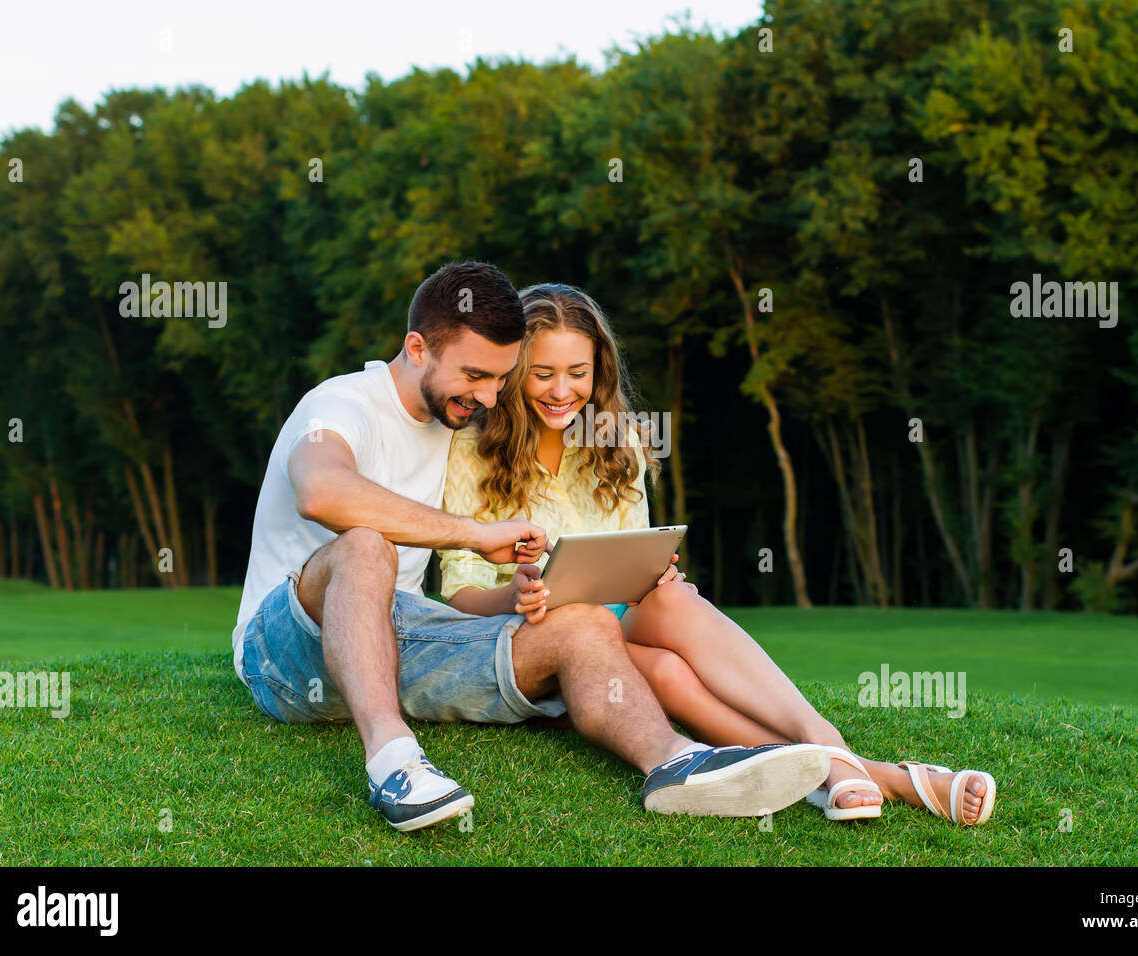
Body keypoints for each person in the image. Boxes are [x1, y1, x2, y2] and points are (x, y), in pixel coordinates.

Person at [231, 261, 833, 832]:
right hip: (289, 647)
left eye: (500, 379)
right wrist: (474, 534)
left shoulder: (456, 421)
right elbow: (321, 490)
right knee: (366, 546)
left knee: (584, 624)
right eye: (475, 376)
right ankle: (395, 764)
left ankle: (674, 762)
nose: (490, 398)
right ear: (418, 349)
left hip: (399, 638)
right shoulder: (341, 405)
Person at [439, 283, 997, 826]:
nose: (562, 390)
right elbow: (457, 594)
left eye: (578, 373)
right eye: (542, 374)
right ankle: (871, 772)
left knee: (675, 598)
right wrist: (513, 594)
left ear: (599, 373)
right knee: (667, 672)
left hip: (622, 622)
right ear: (512, 375)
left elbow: (627, 561)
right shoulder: (470, 450)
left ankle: (823, 743)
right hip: (541, 646)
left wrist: (651, 576)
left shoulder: (617, 442)